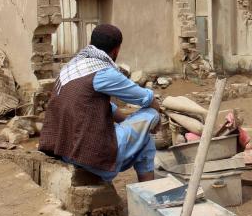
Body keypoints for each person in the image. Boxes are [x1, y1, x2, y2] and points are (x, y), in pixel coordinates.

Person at [39, 24, 161, 183]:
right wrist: (157, 116)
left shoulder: (73, 66)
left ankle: (145, 190)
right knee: (150, 116)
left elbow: (99, 107)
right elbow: (146, 98)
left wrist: (127, 124)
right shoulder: (102, 72)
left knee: (141, 137)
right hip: (88, 155)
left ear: (92, 43)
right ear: (116, 50)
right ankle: (148, 192)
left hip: (62, 150)